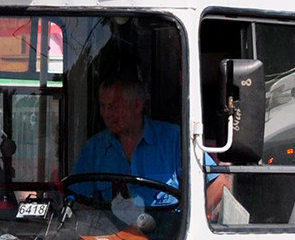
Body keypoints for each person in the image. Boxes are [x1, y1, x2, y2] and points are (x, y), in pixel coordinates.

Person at [69, 75, 227, 224]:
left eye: (113, 106)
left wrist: (186, 225)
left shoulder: (173, 139)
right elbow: (79, 201)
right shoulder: (94, 149)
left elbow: (218, 184)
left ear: (137, 105)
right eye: (103, 107)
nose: (106, 114)